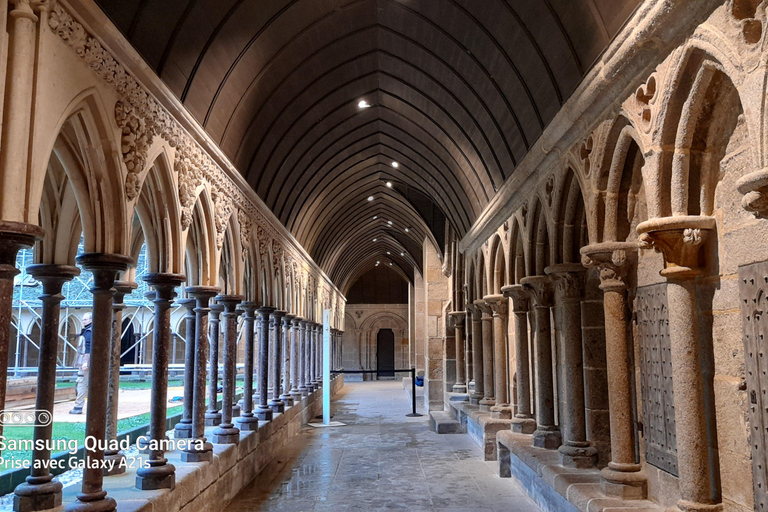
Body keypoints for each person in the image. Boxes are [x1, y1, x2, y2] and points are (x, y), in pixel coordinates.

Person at [70, 312, 92, 414]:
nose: (83, 321)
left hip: (86, 362)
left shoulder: (89, 332)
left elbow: (88, 347)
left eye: (85, 319)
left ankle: (78, 407)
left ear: (91, 320)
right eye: (83, 319)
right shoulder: (90, 331)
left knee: (81, 383)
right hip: (92, 362)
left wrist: (85, 362)